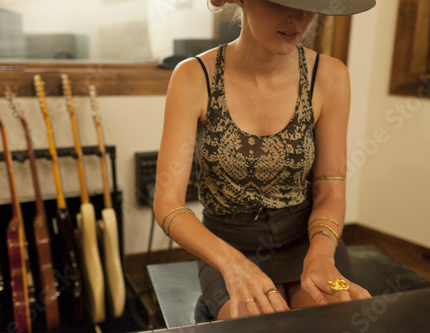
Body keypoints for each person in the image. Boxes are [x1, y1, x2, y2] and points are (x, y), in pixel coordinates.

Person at [153, 0, 376, 321]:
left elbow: (331, 188)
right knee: (253, 325)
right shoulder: (194, 76)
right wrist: (232, 263)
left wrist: (323, 255)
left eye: (310, 5)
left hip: (312, 243)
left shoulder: (329, 75)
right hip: (228, 248)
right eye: (281, 2)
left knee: (339, 313)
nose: (299, 19)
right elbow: (167, 203)